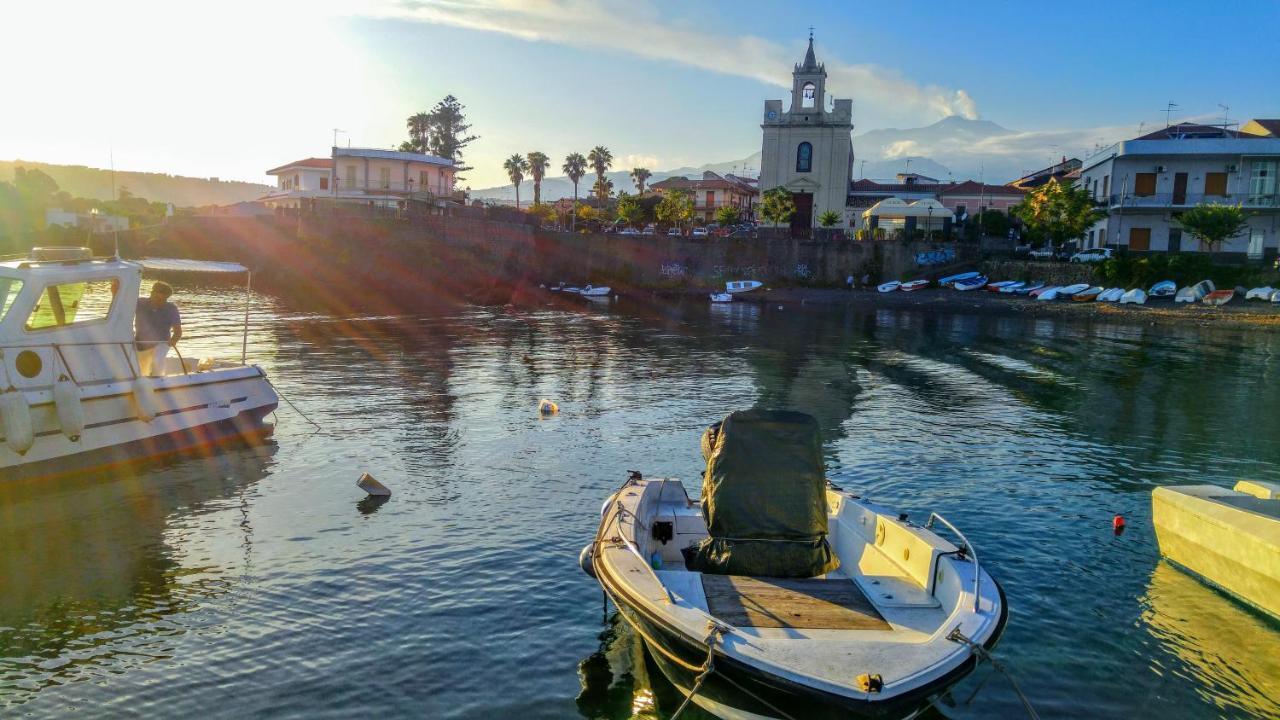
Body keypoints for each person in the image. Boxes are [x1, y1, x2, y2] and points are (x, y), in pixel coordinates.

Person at [135, 281, 182, 377]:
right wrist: (115, 293)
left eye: (163, 299)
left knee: (157, 361)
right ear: (152, 293)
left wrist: (173, 340)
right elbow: (121, 306)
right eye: (156, 297)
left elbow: (178, 332)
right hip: (140, 342)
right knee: (138, 367)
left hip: (162, 342)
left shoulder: (171, 309)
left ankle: (159, 380)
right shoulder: (139, 303)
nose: (159, 301)